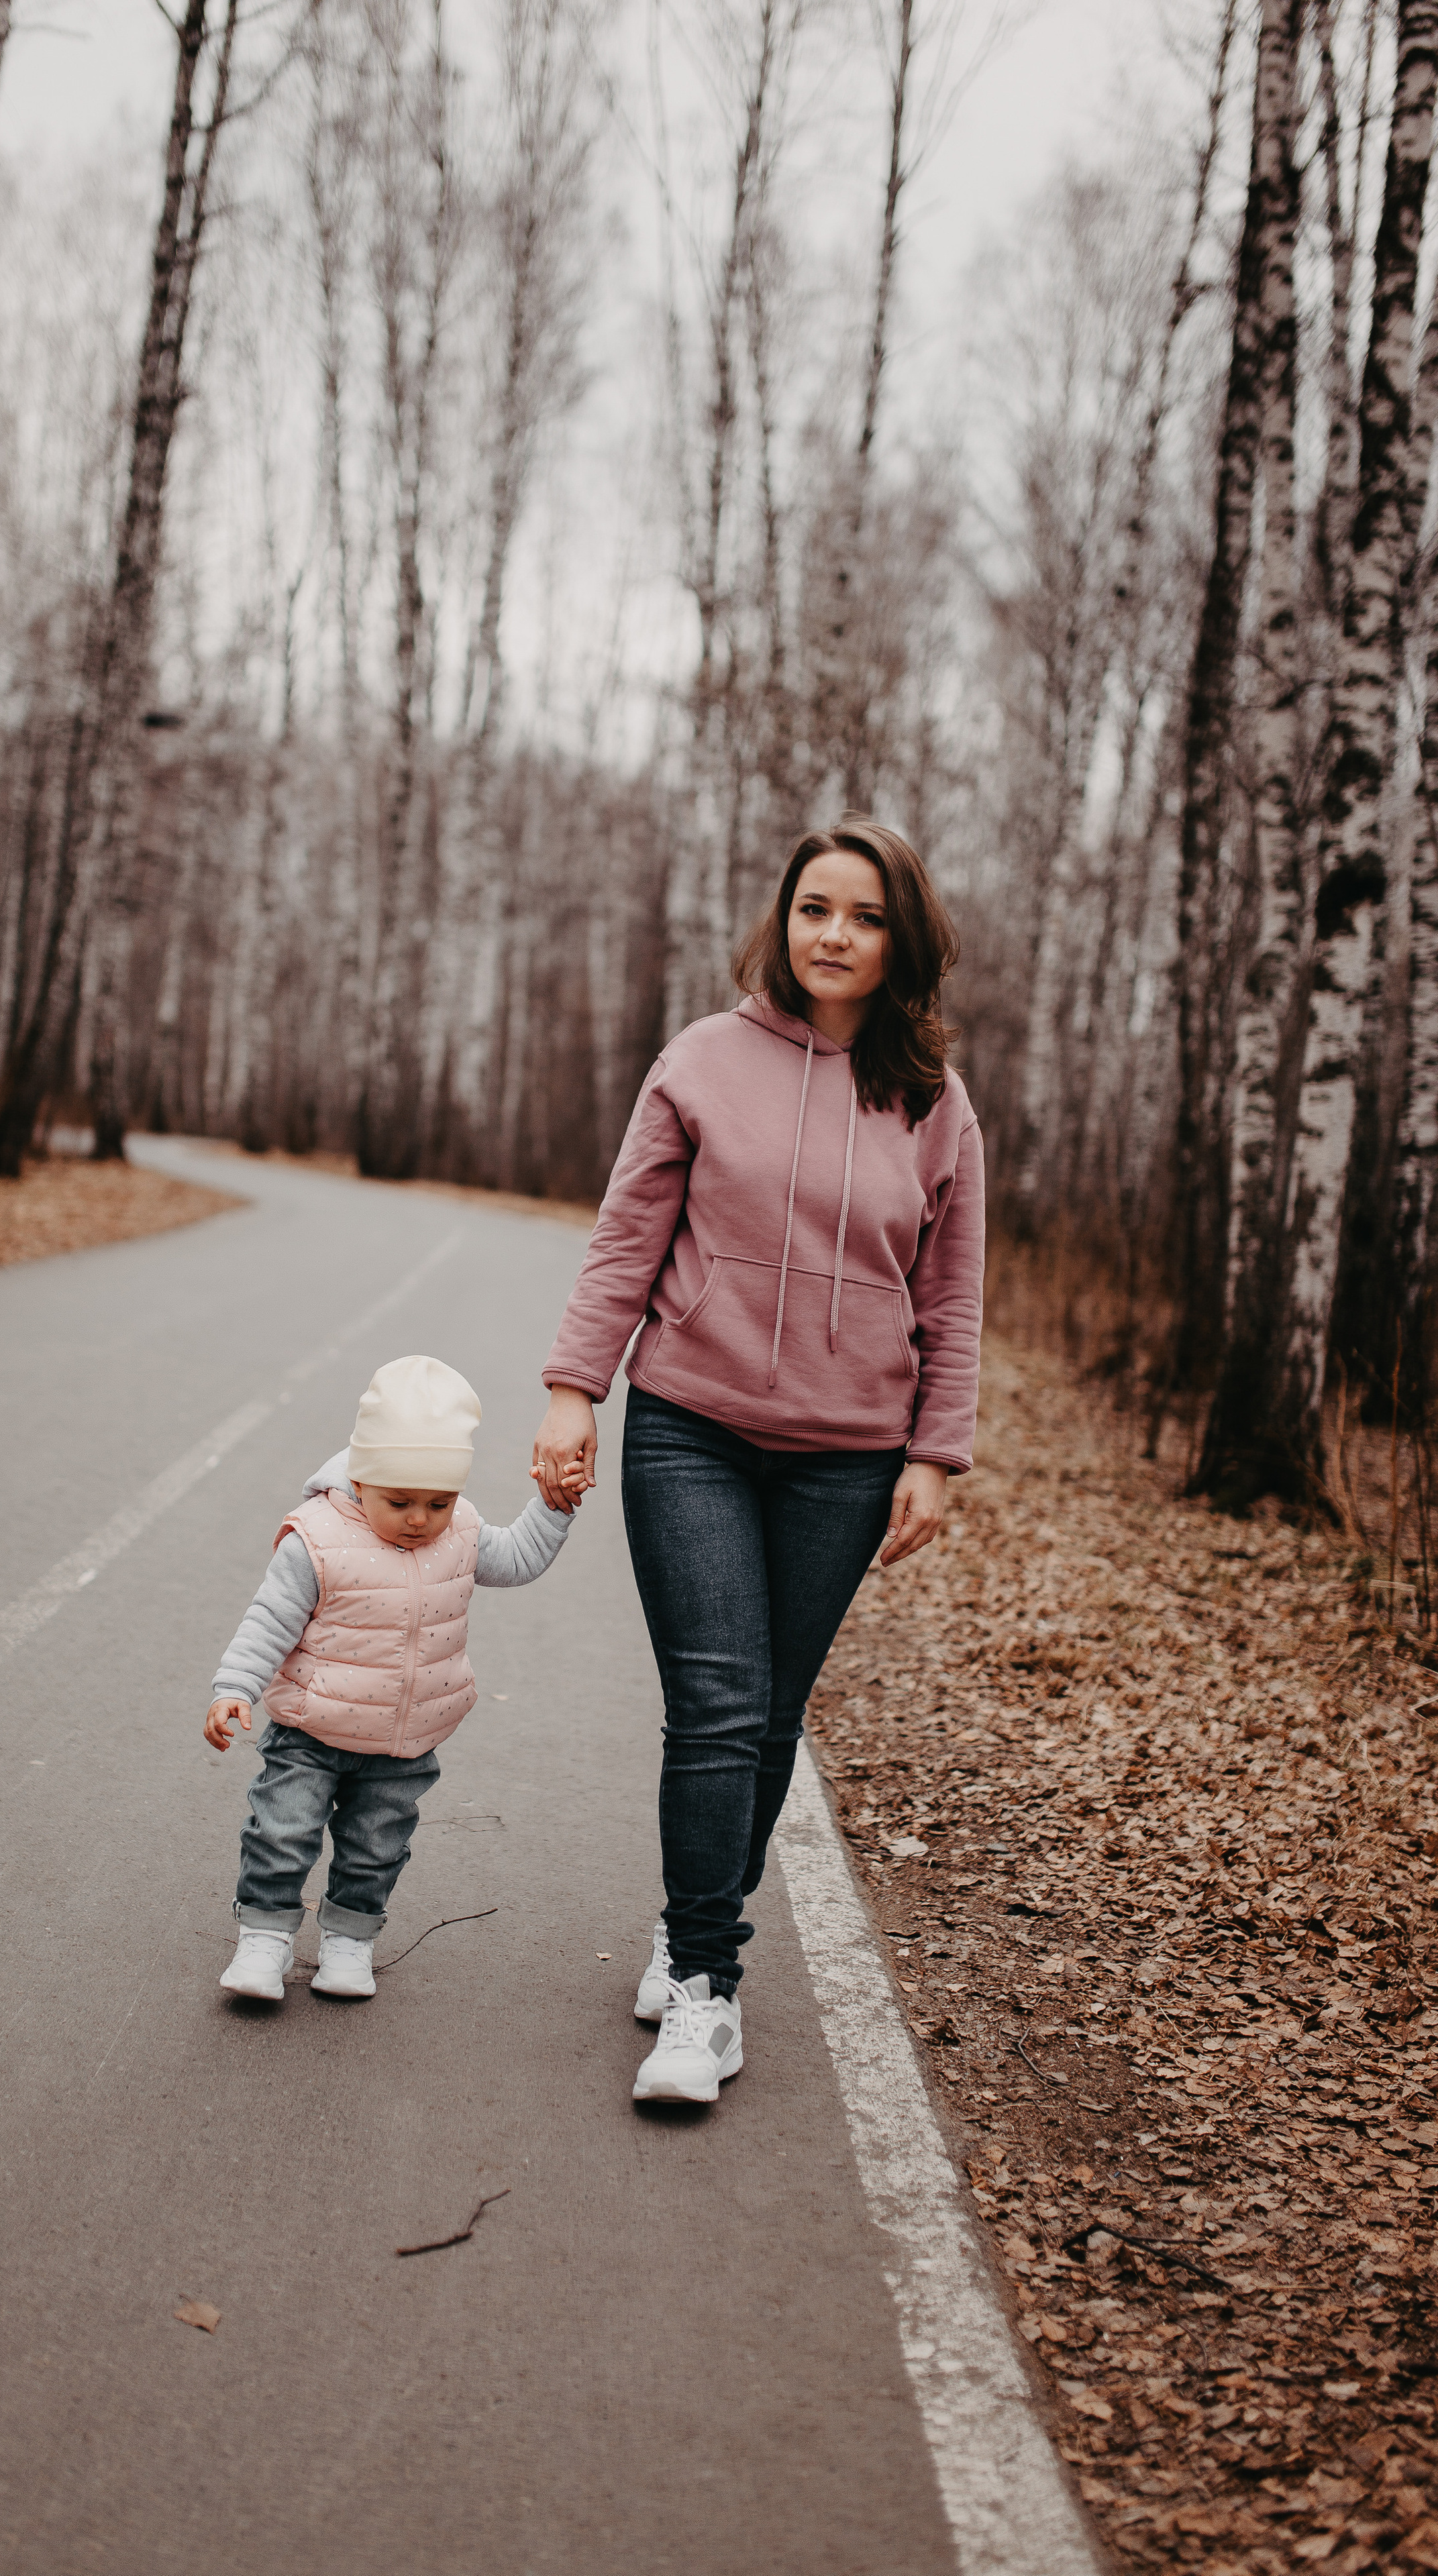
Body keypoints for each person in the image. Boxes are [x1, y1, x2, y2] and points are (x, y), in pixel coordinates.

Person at [532, 816, 984, 2106]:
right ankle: (708, 1996)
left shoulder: (934, 1104)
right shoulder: (702, 1062)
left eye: (865, 915)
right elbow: (628, 1240)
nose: (834, 934)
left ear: (904, 940)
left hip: (850, 1456)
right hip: (693, 1427)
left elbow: (952, 1297)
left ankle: (690, 1925)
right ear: (782, 922)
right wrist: (575, 1392)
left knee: (773, 1711)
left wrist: (935, 1455)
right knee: (721, 1703)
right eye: (813, 909)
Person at [207, 1353, 583, 2003]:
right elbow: (268, 1622)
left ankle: (350, 1943)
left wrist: (555, 1507)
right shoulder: (317, 1539)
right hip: (311, 1729)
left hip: (404, 1742)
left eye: (437, 1502)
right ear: (362, 1478)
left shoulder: (459, 1531)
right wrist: (234, 1689)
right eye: (400, 1501)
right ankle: (264, 1940)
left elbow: (519, 1559)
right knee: (283, 1831)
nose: (419, 1518)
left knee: (376, 1846)